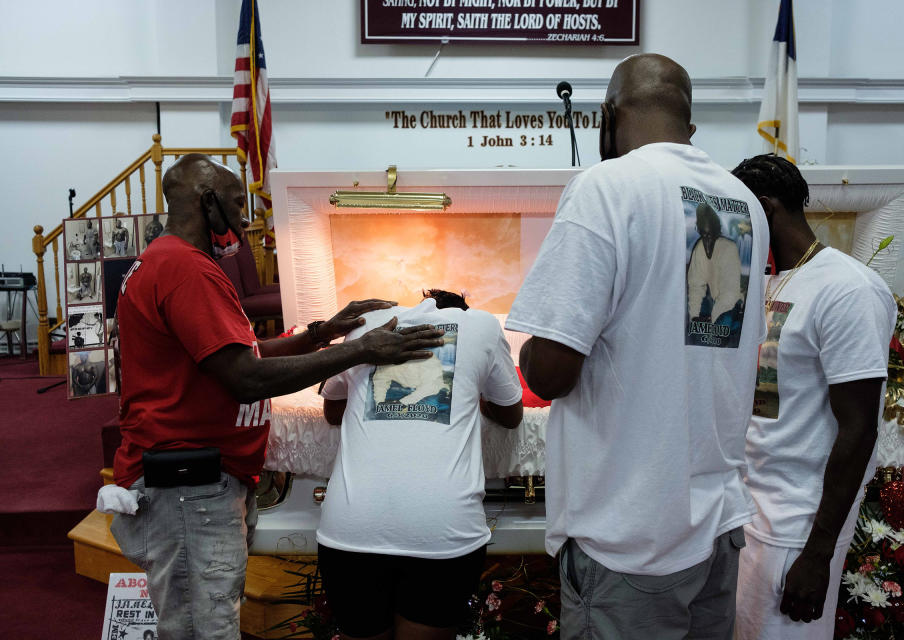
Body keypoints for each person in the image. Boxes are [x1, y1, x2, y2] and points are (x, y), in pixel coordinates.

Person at [107, 153, 446, 640]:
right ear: (207, 203)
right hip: (188, 488)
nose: (245, 219)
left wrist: (321, 333)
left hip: (198, 483)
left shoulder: (174, 261)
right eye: (236, 204)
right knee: (202, 630)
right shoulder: (185, 269)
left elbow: (241, 351)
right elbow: (247, 377)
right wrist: (363, 352)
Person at [505, 53, 769, 639]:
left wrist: (521, 351)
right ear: (689, 126)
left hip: (629, 534)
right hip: (716, 524)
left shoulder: (606, 186)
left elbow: (550, 373)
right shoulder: (743, 203)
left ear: (606, 116)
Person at [730, 155, 896, 639]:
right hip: (750, 510)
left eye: (739, 216)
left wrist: (818, 552)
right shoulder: (766, 279)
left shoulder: (849, 290)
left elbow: (860, 428)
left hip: (798, 526)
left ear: (764, 207)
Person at [317, 289, 523, 640]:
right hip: (442, 531)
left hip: (351, 529)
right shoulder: (484, 326)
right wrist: (471, 393)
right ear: (461, 312)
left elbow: (332, 410)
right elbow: (511, 413)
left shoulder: (368, 325)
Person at [687, 201, 745, 331]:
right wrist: (694, 318)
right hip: (715, 301)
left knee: (722, 329)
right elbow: (695, 286)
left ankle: (736, 325)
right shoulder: (699, 248)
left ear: (716, 231)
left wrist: (711, 320)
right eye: (703, 234)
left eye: (710, 235)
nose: (706, 239)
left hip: (733, 303)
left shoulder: (729, 249)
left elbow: (730, 294)